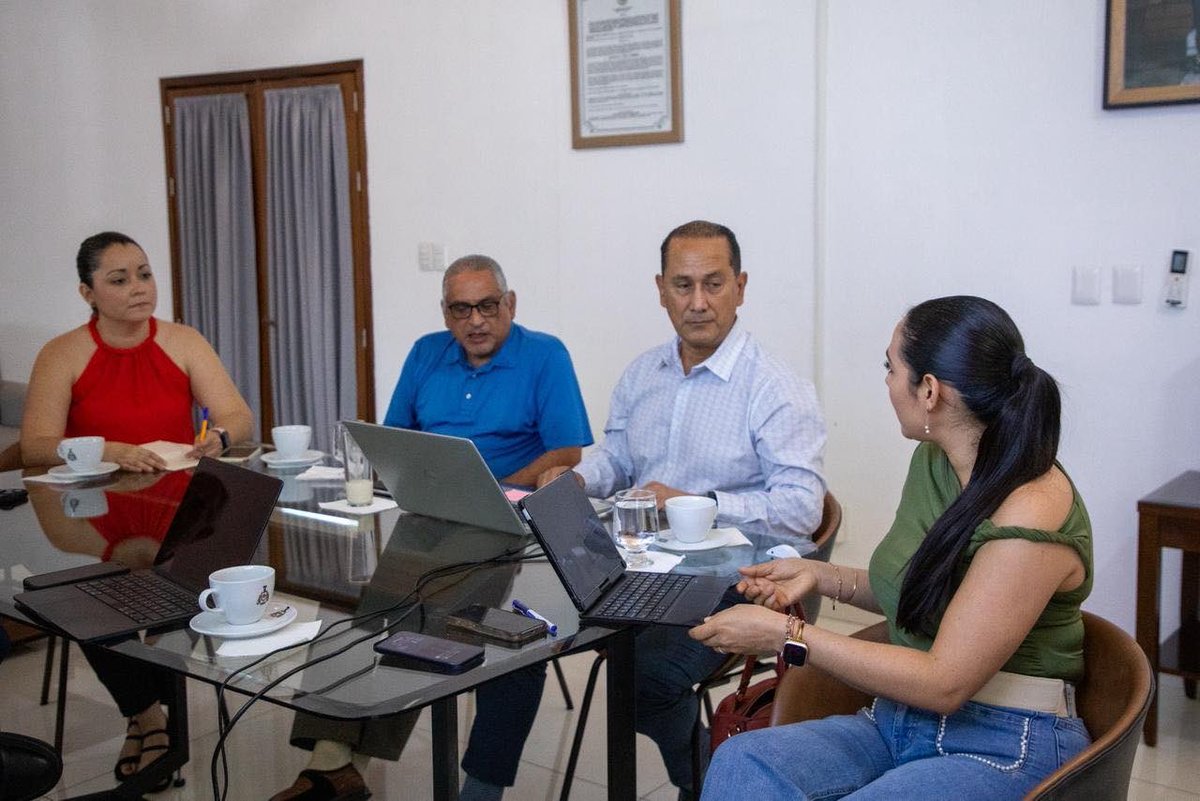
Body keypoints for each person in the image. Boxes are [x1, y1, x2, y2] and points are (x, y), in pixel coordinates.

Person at [691, 295, 1093, 800]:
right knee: (743, 761)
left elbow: (945, 682)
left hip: (1006, 737)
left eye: (890, 366)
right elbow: (923, 593)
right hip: (902, 717)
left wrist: (786, 635)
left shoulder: (1032, 508)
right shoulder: (936, 461)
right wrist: (820, 576)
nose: (885, 382)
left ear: (929, 390)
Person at [272, 254, 593, 801]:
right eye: (461, 309)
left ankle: (471, 785)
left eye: (488, 306)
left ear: (509, 304)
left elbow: (565, 452)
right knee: (354, 604)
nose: (475, 321)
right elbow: (394, 439)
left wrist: (492, 491)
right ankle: (332, 759)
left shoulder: (544, 355)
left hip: (508, 525)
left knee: (473, 625)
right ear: (445, 313)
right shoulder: (427, 353)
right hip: (428, 517)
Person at [539, 220, 827, 799]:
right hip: (644, 565)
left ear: (741, 287)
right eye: (682, 285)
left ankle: (705, 783)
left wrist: (699, 505)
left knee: (645, 679)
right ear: (660, 289)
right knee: (528, 624)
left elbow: (800, 511)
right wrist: (573, 478)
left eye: (713, 284)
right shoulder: (645, 372)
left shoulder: (774, 387)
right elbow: (616, 457)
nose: (698, 303)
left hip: (751, 577)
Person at [19, 231, 253, 787]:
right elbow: (35, 446)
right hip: (89, 513)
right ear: (88, 292)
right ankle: (148, 716)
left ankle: (151, 718)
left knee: (190, 587)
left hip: (179, 509)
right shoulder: (63, 352)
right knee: (91, 598)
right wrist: (107, 449)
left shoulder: (183, 340)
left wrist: (218, 438)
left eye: (144, 274)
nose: (138, 288)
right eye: (118, 279)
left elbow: (240, 419)